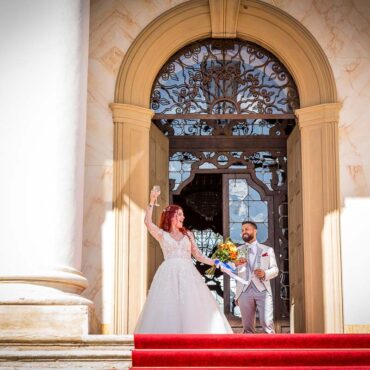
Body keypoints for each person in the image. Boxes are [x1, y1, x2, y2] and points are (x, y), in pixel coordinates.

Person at [134, 189, 232, 334]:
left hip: (188, 272)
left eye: (182, 214)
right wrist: (152, 201)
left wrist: (217, 263)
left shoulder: (188, 234)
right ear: (171, 216)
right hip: (168, 272)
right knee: (169, 303)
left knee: (191, 303)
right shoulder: (162, 235)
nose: (183, 217)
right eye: (180, 214)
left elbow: (198, 255)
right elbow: (147, 223)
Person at [235, 221, 278, 334]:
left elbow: (275, 270)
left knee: (267, 324)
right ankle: (249, 351)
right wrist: (235, 264)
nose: (244, 232)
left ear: (255, 231)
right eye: (242, 230)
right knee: (247, 328)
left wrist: (265, 273)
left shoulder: (267, 250)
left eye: (247, 229)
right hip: (244, 291)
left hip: (263, 290)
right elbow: (229, 269)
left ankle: (272, 351)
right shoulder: (238, 251)